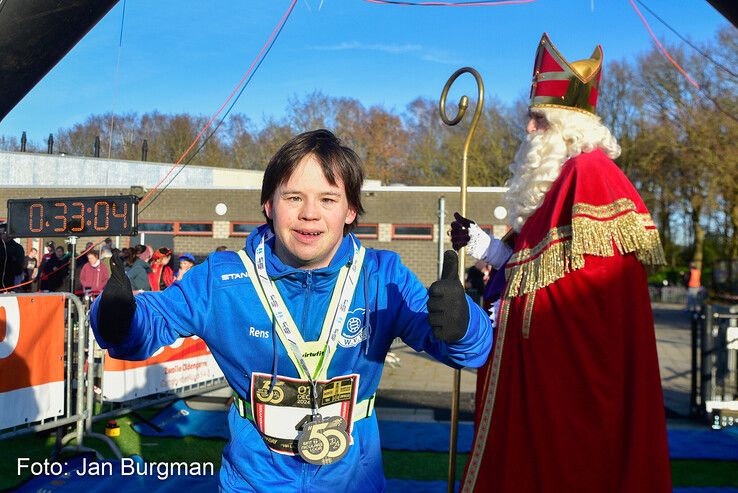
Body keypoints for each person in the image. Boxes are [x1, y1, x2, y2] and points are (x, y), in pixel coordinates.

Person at [91, 129, 493, 492]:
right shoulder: (222, 278)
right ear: (269, 204)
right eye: (294, 197)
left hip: (352, 480)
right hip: (254, 482)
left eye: (328, 199)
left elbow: (472, 352)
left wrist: (462, 325)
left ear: (350, 211)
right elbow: (145, 329)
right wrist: (116, 318)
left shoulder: (381, 274)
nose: (309, 214)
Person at [453, 33, 672, 492]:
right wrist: (482, 245)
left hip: (572, 388)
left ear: (563, 126)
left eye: (536, 120)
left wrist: (504, 313)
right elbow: (539, 265)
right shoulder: (562, 180)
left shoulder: (588, 176)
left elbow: (585, 293)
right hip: (549, 378)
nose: (528, 131)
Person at [0, 222, 26, 291]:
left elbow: (19, 267)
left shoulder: (17, 248)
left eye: (1, 234)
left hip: (10, 282)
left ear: (7, 233)